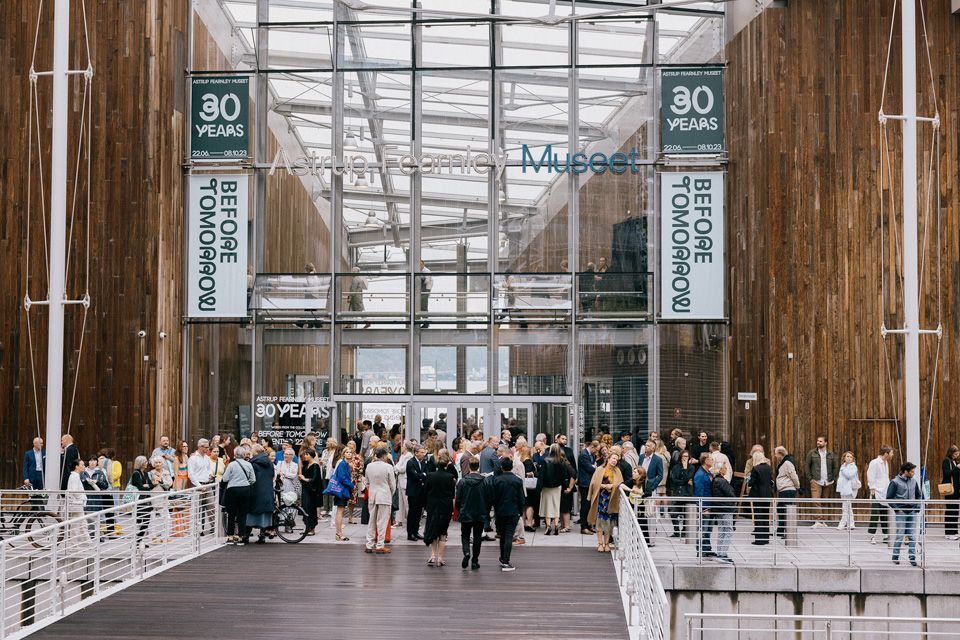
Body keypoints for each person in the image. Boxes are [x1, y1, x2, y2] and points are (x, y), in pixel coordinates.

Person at [489, 457, 525, 571]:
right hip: (513, 511)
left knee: (503, 536)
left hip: (500, 512)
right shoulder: (518, 481)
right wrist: (520, 512)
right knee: (509, 536)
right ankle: (505, 560)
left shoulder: (496, 480)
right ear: (512, 467)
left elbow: (492, 497)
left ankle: (502, 557)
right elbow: (521, 499)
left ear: (501, 467)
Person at [423, 449, 457, 566]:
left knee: (433, 529)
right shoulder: (450, 477)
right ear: (447, 464)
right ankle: (440, 558)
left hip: (432, 504)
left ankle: (433, 555)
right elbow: (452, 493)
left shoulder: (430, 475)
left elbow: (426, 491)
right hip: (445, 505)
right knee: (443, 532)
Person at [456, 457, 489, 570]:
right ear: (478, 466)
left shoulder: (463, 481)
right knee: (477, 537)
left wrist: (459, 509)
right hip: (480, 512)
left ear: (469, 467)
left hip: (466, 511)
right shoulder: (484, 481)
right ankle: (475, 560)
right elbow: (488, 497)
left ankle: (466, 552)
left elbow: (458, 499)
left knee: (465, 535)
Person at [887, 462, 922, 566]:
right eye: (912, 471)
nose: (913, 473)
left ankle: (912, 557)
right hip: (901, 512)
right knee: (900, 534)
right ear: (905, 472)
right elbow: (889, 498)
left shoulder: (914, 482)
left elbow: (919, 495)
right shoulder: (895, 482)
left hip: (912, 511)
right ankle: (895, 556)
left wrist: (917, 508)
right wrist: (897, 509)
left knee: (912, 536)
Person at [587, 452, 623, 553]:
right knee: (599, 521)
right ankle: (599, 543)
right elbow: (594, 483)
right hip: (600, 498)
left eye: (616, 459)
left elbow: (620, 484)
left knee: (608, 522)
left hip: (611, 499)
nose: (614, 460)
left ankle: (606, 543)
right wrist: (604, 486)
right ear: (608, 459)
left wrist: (613, 486)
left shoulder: (617, 471)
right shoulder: (599, 469)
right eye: (613, 458)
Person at [220, 445, 255, 545]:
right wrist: (245, 482)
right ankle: (241, 537)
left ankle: (230, 536)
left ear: (235, 455)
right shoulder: (249, 465)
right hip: (245, 489)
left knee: (231, 514)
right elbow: (253, 479)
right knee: (242, 514)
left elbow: (225, 478)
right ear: (244, 455)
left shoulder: (231, 465)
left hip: (233, 490)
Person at [365, 447, 397, 555]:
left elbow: (367, 482)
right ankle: (379, 545)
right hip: (384, 495)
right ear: (384, 456)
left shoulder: (369, 466)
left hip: (373, 495)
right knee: (382, 522)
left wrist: (371, 490)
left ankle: (369, 545)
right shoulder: (388, 467)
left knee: (372, 521)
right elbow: (392, 484)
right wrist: (390, 493)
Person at [804, 436, 838, 527]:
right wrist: (810, 479)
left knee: (824, 501)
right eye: (817, 441)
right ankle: (818, 521)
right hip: (816, 481)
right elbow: (807, 466)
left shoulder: (831, 454)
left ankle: (823, 521)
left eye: (820, 441)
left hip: (828, 481)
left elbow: (835, 467)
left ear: (826, 443)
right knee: (816, 501)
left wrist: (833, 478)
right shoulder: (812, 453)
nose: (818, 442)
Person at [323, 448, 355, 542]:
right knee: (340, 512)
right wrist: (351, 485)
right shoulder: (342, 464)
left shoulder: (346, 464)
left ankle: (339, 533)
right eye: (347, 452)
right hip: (340, 491)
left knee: (340, 511)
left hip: (343, 490)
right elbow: (342, 478)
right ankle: (338, 533)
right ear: (343, 454)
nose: (349, 454)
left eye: (350, 452)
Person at [538, 444, 570, 536]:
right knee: (556, 507)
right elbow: (564, 476)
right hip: (557, 487)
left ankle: (548, 526)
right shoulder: (561, 461)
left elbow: (541, 476)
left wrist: (538, 488)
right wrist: (565, 487)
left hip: (546, 487)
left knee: (547, 507)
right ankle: (556, 525)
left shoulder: (545, 460)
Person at [247, 445, 276, 543]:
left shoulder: (252, 464)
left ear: (254, 452)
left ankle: (246, 536)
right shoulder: (270, 463)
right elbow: (272, 476)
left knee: (250, 514)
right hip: (268, 492)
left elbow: (250, 479)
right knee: (264, 515)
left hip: (256, 492)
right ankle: (262, 536)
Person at [710, 461, 736, 563]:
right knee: (728, 530)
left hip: (719, 508)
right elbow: (731, 494)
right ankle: (723, 553)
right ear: (720, 469)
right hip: (726, 508)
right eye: (725, 468)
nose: (726, 469)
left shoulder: (715, 480)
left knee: (721, 530)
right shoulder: (722, 481)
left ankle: (720, 552)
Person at [867, 445, 893, 544]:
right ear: (886, 453)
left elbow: (885, 477)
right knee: (875, 513)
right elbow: (871, 476)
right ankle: (872, 535)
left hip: (885, 491)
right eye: (891, 453)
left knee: (884, 513)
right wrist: (872, 489)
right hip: (876, 491)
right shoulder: (874, 463)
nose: (892, 455)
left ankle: (885, 535)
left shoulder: (886, 463)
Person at [773, 446, 800, 538]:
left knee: (786, 510)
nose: (775, 455)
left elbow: (793, 475)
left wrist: (797, 486)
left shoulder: (787, 463)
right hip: (783, 489)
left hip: (788, 489)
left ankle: (787, 532)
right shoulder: (783, 462)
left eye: (776, 453)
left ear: (780, 454)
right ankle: (781, 530)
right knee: (781, 509)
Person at [667, 449, 695, 537]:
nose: (685, 458)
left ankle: (684, 531)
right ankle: (676, 531)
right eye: (683, 456)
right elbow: (674, 480)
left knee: (686, 513)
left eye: (686, 456)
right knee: (673, 512)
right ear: (680, 457)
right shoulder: (676, 467)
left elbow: (689, 477)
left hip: (687, 493)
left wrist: (685, 468)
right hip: (677, 492)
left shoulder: (691, 467)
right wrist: (685, 481)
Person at [748, 451, 773, 545]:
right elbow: (770, 481)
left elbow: (751, 483)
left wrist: (748, 480)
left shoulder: (755, 469)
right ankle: (766, 538)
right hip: (767, 495)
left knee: (758, 516)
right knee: (766, 515)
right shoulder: (768, 468)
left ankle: (759, 539)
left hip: (757, 494)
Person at [147, 455, 173, 544]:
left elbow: (169, 483)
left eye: (159, 462)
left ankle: (164, 536)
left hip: (163, 497)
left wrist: (161, 481)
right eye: (156, 462)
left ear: (162, 463)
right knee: (152, 517)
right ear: (153, 464)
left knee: (167, 518)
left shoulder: (166, 472)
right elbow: (150, 484)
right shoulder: (150, 473)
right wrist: (154, 482)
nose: (158, 464)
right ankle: (153, 537)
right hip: (153, 496)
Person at [406, 445, 429, 540]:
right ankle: (410, 533)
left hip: (421, 492)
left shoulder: (423, 462)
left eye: (424, 452)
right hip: (413, 492)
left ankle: (415, 531)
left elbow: (426, 473)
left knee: (419, 513)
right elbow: (415, 475)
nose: (424, 454)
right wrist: (422, 475)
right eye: (422, 452)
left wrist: (422, 475)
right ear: (416, 453)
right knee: (412, 513)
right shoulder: (411, 462)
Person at [694, 454, 715, 557]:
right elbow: (699, 492)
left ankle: (707, 548)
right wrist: (702, 508)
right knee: (704, 528)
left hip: (710, 505)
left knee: (709, 528)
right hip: (705, 506)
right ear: (705, 460)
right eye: (710, 459)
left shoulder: (709, 473)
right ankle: (701, 550)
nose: (713, 460)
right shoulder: (700, 474)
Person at [130, 456, 154, 545]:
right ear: (141, 463)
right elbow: (140, 487)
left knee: (146, 521)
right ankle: (137, 541)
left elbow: (151, 485)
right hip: (139, 500)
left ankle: (138, 541)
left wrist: (146, 485)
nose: (147, 463)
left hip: (147, 500)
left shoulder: (146, 474)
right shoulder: (136, 473)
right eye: (145, 461)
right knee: (140, 521)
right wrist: (146, 486)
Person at [66, 458, 90, 546]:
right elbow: (74, 491)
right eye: (82, 465)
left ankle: (87, 542)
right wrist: (82, 497)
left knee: (82, 523)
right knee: (77, 525)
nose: (84, 466)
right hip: (76, 503)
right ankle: (74, 544)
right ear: (77, 467)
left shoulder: (75, 476)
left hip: (77, 503)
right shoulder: (74, 476)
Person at [578, 441, 599, 534]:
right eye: (596, 450)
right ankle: (584, 527)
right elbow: (590, 468)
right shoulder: (584, 455)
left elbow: (594, 466)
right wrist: (595, 467)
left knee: (589, 505)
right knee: (585, 505)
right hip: (584, 484)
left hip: (590, 483)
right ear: (592, 447)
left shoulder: (592, 455)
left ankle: (588, 524)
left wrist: (594, 467)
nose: (596, 452)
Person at [299, 449, 321, 535]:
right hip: (305, 489)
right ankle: (307, 527)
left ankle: (312, 528)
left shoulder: (315, 465)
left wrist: (305, 479)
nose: (305, 456)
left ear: (311, 455)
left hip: (312, 491)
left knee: (310, 509)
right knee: (305, 508)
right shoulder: (306, 464)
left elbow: (316, 479)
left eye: (306, 454)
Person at [629, 467, 653, 546]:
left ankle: (645, 543)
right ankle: (632, 541)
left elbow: (649, 493)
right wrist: (631, 490)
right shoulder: (631, 481)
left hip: (641, 507)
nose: (633, 473)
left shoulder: (646, 482)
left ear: (640, 474)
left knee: (643, 524)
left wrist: (640, 495)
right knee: (631, 525)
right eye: (633, 472)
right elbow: (621, 485)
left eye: (635, 472)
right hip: (631, 506)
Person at [836, 451, 860, 530]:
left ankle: (842, 525)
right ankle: (851, 524)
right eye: (847, 456)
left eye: (850, 457)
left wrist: (843, 469)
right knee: (848, 507)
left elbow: (849, 475)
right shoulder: (843, 465)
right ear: (844, 458)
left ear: (853, 459)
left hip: (850, 490)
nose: (849, 458)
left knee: (845, 507)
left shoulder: (853, 467)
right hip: (843, 489)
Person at [941, 445, 960, 540]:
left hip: (956, 491)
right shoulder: (946, 461)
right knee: (950, 510)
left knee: (955, 511)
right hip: (950, 491)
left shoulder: (955, 461)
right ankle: (948, 532)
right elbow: (947, 474)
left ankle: (954, 531)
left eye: (958, 454)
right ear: (951, 453)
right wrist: (957, 468)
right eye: (955, 454)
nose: (957, 455)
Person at [419, 259, 433, 325]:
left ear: (423, 264)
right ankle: (423, 320)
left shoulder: (427, 271)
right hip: (420, 289)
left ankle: (426, 322)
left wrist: (420, 278)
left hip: (426, 289)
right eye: (419, 264)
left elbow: (427, 281)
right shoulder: (418, 270)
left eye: (421, 264)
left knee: (423, 305)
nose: (420, 266)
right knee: (420, 305)